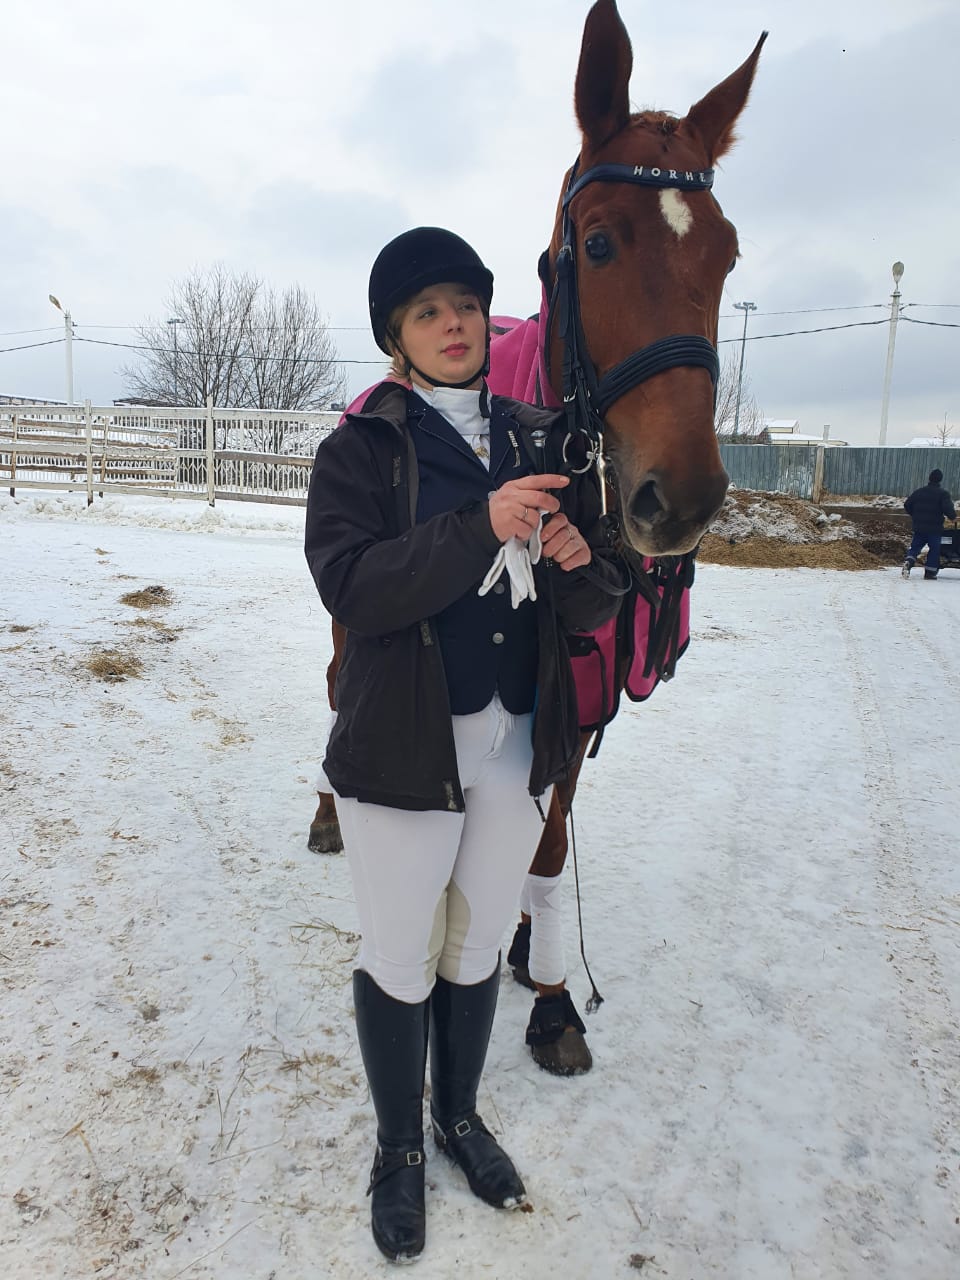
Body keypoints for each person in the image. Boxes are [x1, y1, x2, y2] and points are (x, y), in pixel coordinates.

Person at [303, 227, 625, 1263]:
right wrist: (480, 525)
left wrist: (576, 559)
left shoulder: (541, 439)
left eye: (468, 306)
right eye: (428, 311)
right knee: (401, 952)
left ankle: (458, 1115)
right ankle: (399, 1145)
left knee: (479, 944)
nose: (455, 324)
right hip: (404, 745)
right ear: (395, 334)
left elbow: (594, 600)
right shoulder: (361, 448)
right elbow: (353, 586)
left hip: (519, 742)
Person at [903, 468, 957, 579]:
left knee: (915, 547)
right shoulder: (943, 494)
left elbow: (907, 504)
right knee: (934, 550)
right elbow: (947, 508)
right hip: (934, 529)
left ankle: (909, 561)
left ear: (929, 478)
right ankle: (930, 572)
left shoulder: (919, 492)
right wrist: (953, 517)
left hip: (919, 527)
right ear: (940, 479)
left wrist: (915, 515)